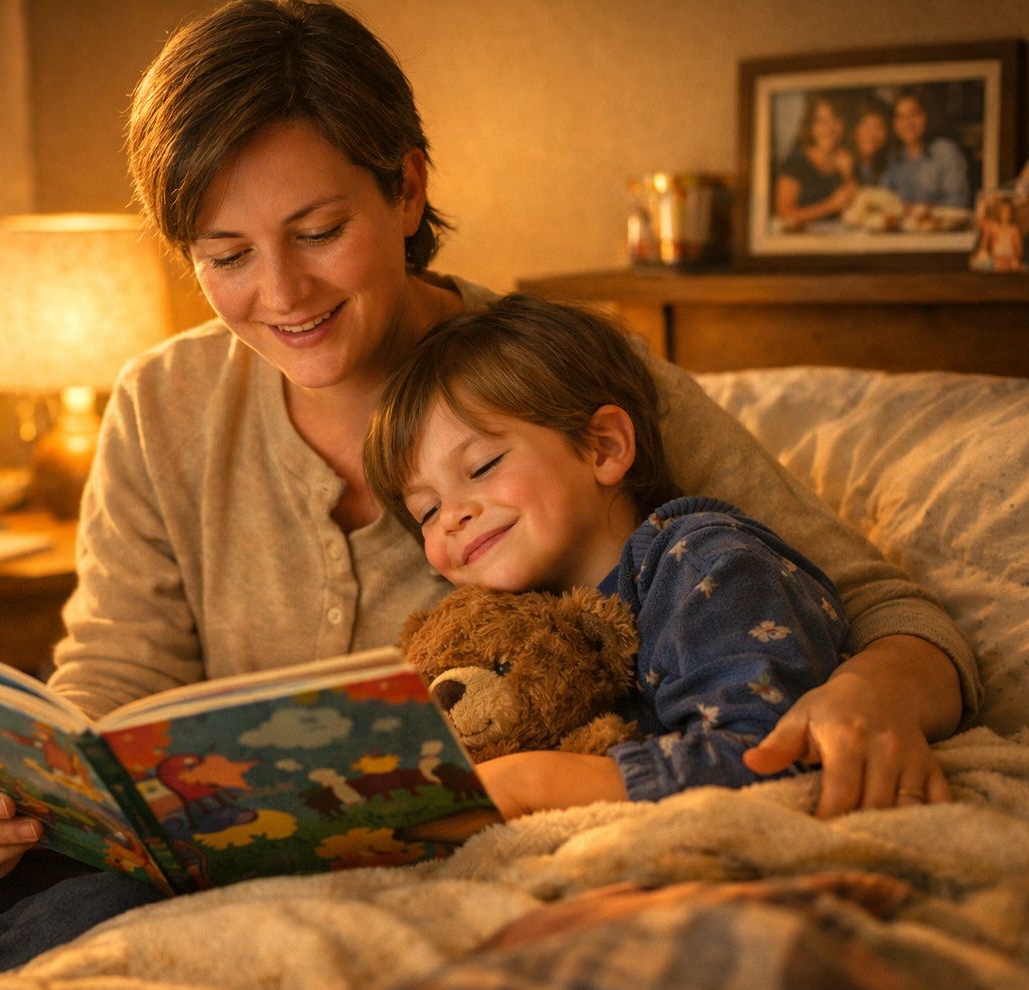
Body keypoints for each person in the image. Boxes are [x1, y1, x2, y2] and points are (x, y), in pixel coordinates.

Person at [0, 2, 975, 990]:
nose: (281, 294)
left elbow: (880, 602)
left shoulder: (561, 378)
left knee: (50, 948)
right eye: (225, 254)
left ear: (407, 188)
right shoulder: (162, 405)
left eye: (318, 230)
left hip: (406, 868)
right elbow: (109, 677)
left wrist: (876, 688)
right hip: (179, 835)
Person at [364, 295, 853, 805]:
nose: (451, 517)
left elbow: (772, 758)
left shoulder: (705, 564)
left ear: (604, 446)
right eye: (425, 510)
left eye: (484, 465)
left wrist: (532, 781)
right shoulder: (522, 635)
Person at [773, 92, 857, 229]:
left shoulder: (845, 158)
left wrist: (849, 175)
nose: (829, 128)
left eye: (835, 119)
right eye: (821, 121)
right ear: (810, 126)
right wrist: (831, 205)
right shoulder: (795, 162)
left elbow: (857, 208)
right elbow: (784, 214)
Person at [880, 88, 971, 209]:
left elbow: (959, 200)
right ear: (894, 123)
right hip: (902, 226)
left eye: (914, 114)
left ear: (927, 116)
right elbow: (883, 199)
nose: (908, 123)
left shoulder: (946, 152)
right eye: (901, 117)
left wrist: (923, 210)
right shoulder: (893, 158)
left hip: (940, 226)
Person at [850, 96, 892, 187]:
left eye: (878, 126)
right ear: (854, 129)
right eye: (866, 125)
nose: (871, 134)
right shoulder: (843, 162)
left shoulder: (893, 165)